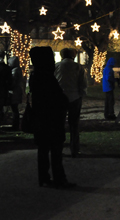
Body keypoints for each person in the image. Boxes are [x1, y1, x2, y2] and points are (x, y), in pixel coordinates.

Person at [29, 46, 75, 189]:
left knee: (43, 149)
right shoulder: (47, 77)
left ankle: (43, 177)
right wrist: (65, 102)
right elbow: (57, 98)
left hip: (40, 118)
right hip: (52, 119)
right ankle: (59, 179)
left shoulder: (35, 76)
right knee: (55, 150)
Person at [55, 48, 87, 157]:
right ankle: (75, 149)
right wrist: (81, 94)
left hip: (59, 97)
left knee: (59, 124)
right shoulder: (78, 67)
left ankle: (58, 148)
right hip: (74, 96)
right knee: (74, 124)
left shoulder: (56, 66)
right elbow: (83, 83)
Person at [8, 56, 23, 130]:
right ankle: (15, 124)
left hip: (14, 92)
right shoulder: (18, 69)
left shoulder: (14, 70)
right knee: (14, 108)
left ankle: (15, 125)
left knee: (14, 109)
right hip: (17, 91)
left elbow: (13, 81)